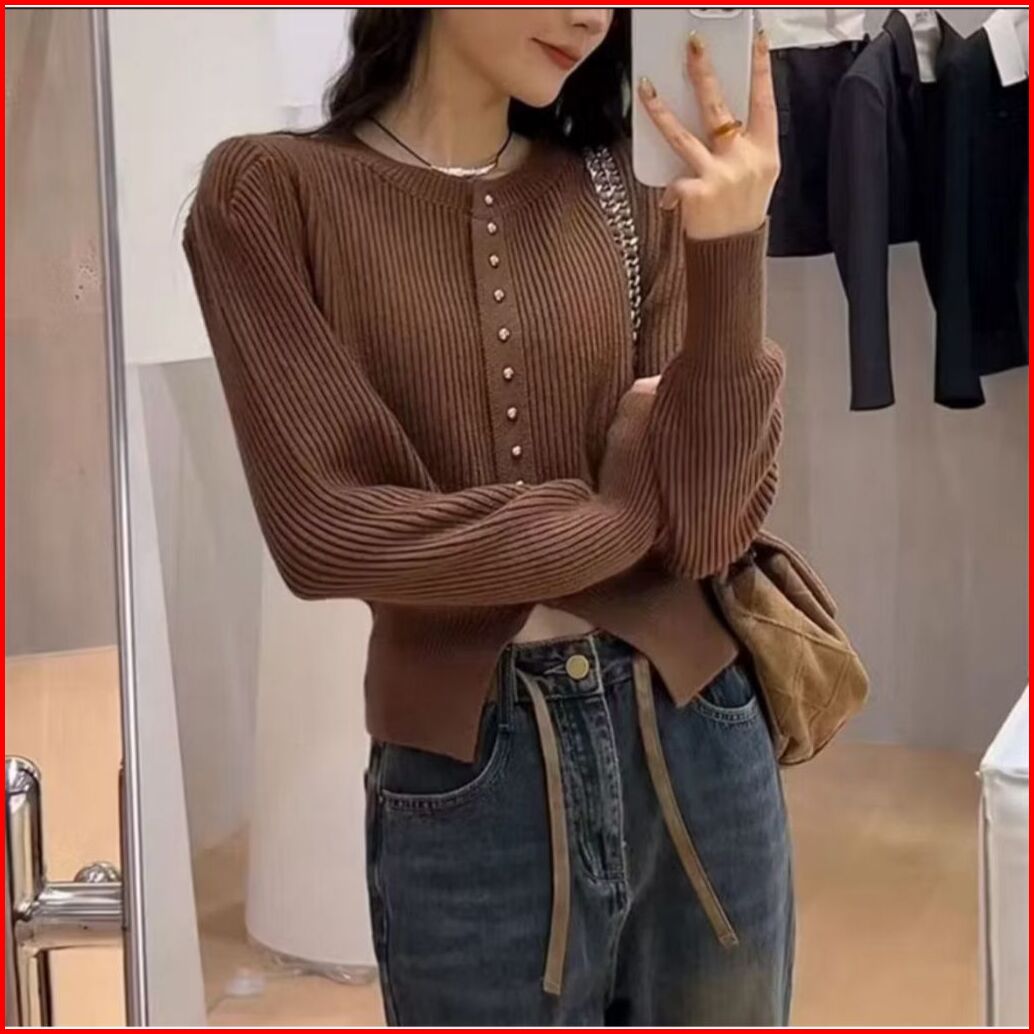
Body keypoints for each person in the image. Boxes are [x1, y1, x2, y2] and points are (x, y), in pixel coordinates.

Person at [184, 9, 790, 1026]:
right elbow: (325, 531)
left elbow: (705, 527)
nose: (590, 16)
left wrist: (731, 250)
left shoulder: (628, 185)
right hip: (470, 783)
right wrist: (617, 514)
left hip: (696, 747)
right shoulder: (269, 193)